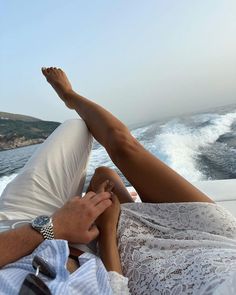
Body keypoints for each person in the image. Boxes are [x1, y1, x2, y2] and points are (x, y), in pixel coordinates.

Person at [0, 67, 236, 294]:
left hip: (18, 234)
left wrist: (62, 227)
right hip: (215, 245)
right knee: (115, 148)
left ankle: (102, 210)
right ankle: (70, 96)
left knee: (93, 152)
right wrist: (72, 226)